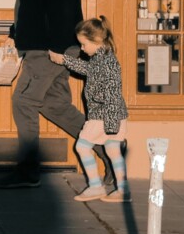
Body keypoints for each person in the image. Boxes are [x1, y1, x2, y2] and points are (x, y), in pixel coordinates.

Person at [0, 0, 114, 189]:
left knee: (23, 101)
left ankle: (27, 171)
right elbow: (32, 3)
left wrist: (58, 48)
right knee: (55, 105)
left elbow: (62, 4)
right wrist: (14, 33)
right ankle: (109, 150)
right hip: (43, 43)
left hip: (48, 47)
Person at [50, 16, 129, 203]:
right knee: (113, 150)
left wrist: (110, 124)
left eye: (84, 44)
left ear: (97, 41)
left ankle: (95, 186)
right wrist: (64, 60)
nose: (83, 49)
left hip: (103, 115)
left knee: (82, 146)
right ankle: (123, 190)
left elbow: (111, 92)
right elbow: (88, 69)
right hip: (113, 115)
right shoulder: (103, 57)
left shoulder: (106, 62)